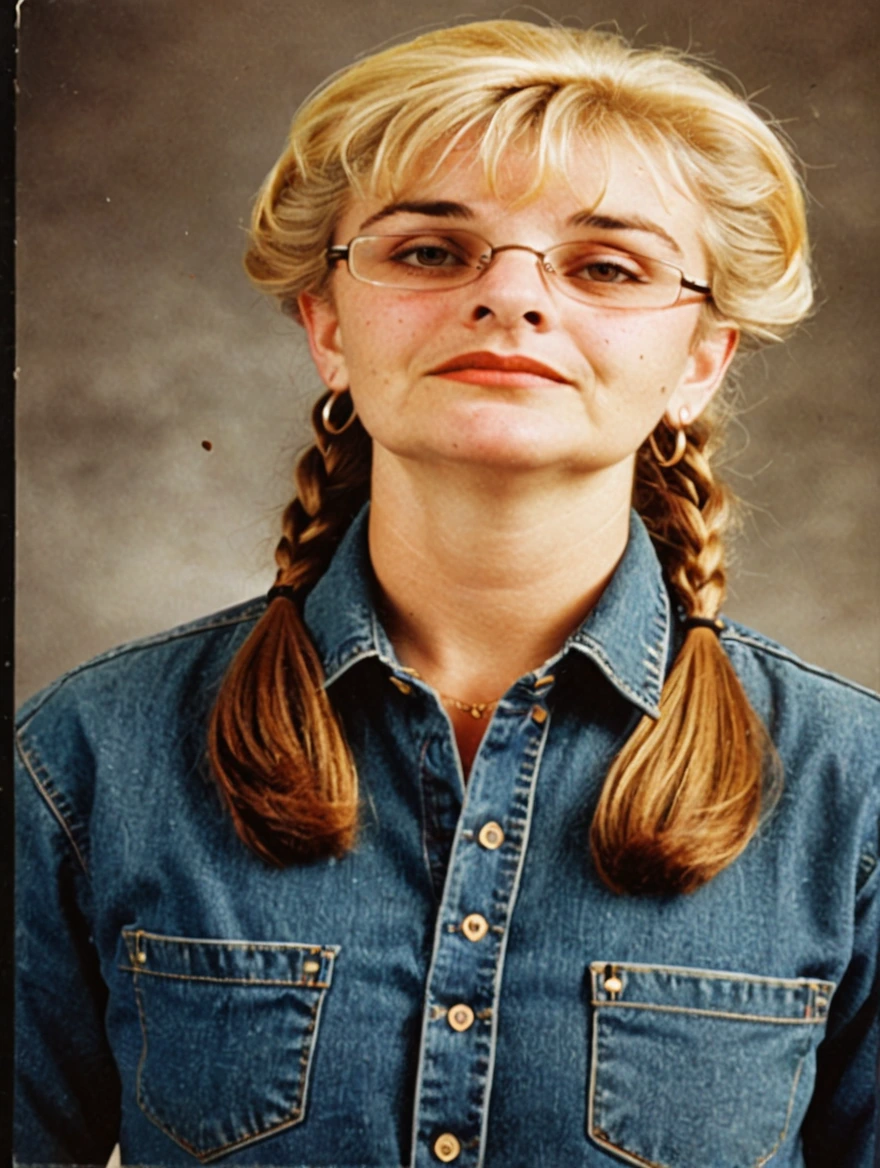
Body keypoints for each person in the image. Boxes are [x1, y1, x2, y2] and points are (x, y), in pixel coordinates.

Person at [14, 19, 879, 1168]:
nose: (512, 300)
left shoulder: (852, 794)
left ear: (699, 360)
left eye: (604, 266)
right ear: (328, 324)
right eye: (429, 252)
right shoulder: (86, 757)